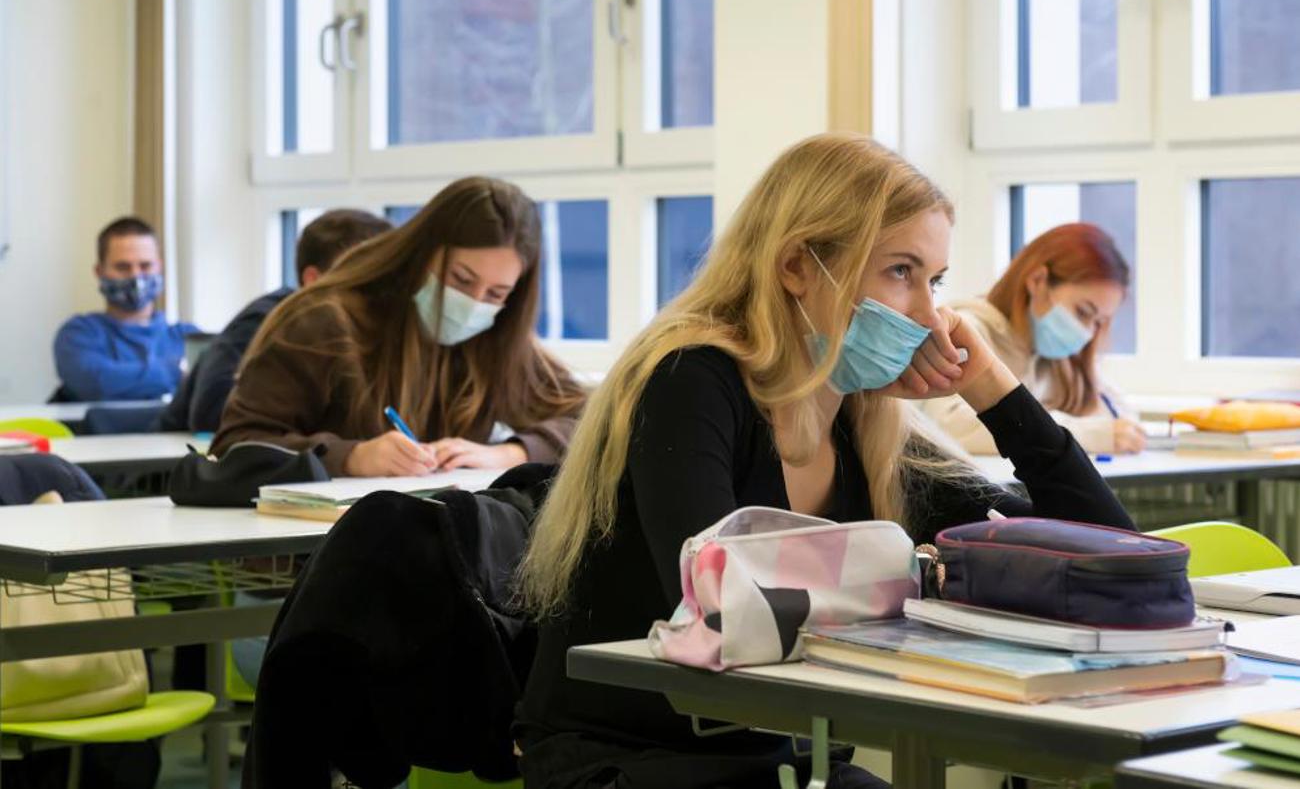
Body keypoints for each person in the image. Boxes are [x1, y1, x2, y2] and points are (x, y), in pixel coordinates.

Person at [515, 134, 1135, 789]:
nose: (929, 314)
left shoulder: (869, 420)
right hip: (627, 756)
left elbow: (1113, 561)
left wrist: (996, 391)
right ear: (797, 267)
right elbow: (723, 612)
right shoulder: (690, 380)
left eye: (936, 280)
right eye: (900, 272)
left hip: (779, 758)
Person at [211, 176, 587, 476]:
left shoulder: (496, 337)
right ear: (422, 254)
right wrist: (351, 456)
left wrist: (511, 452)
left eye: (495, 293)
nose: (473, 303)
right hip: (308, 554)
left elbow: (591, 421)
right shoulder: (325, 320)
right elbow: (235, 446)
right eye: (460, 279)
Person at [157, 209, 392, 433]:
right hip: (169, 466)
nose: (376, 288)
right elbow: (211, 412)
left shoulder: (371, 331)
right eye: (360, 273)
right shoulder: (267, 320)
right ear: (313, 279)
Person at [919, 222, 1142, 456]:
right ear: (1037, 281)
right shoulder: (967, 332)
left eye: (1098, 322)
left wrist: (1109, 432)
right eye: (1083, 312)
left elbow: (1122, 422)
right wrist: (1089, 435)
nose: (1086, 333)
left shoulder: (1053, 358)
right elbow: (952, 427)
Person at [52, 217, 198, 402]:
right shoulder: (78, 334)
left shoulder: (188, 337)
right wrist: (177, 371)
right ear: (100, 271)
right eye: (123, 267)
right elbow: (96, 383)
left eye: (145, 266)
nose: (136, 276)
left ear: (159, 267)